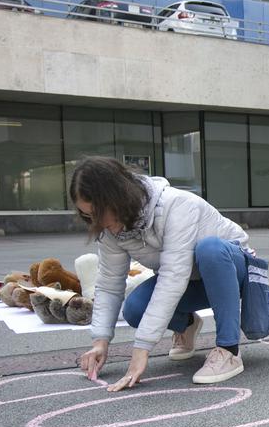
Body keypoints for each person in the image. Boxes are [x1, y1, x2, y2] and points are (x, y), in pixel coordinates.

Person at [72, 156, 255, 391]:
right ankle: (186, 324)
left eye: (99, 212)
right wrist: (100, 341)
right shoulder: (109, 230)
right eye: (87, 215)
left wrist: (141, 350)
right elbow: (109, 284)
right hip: (192, 279)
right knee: (135, 308)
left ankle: (229, 350)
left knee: (210, 248)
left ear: (118, 197)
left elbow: (172, 277)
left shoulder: (176, 205)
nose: (97, 222)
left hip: (232, 273)